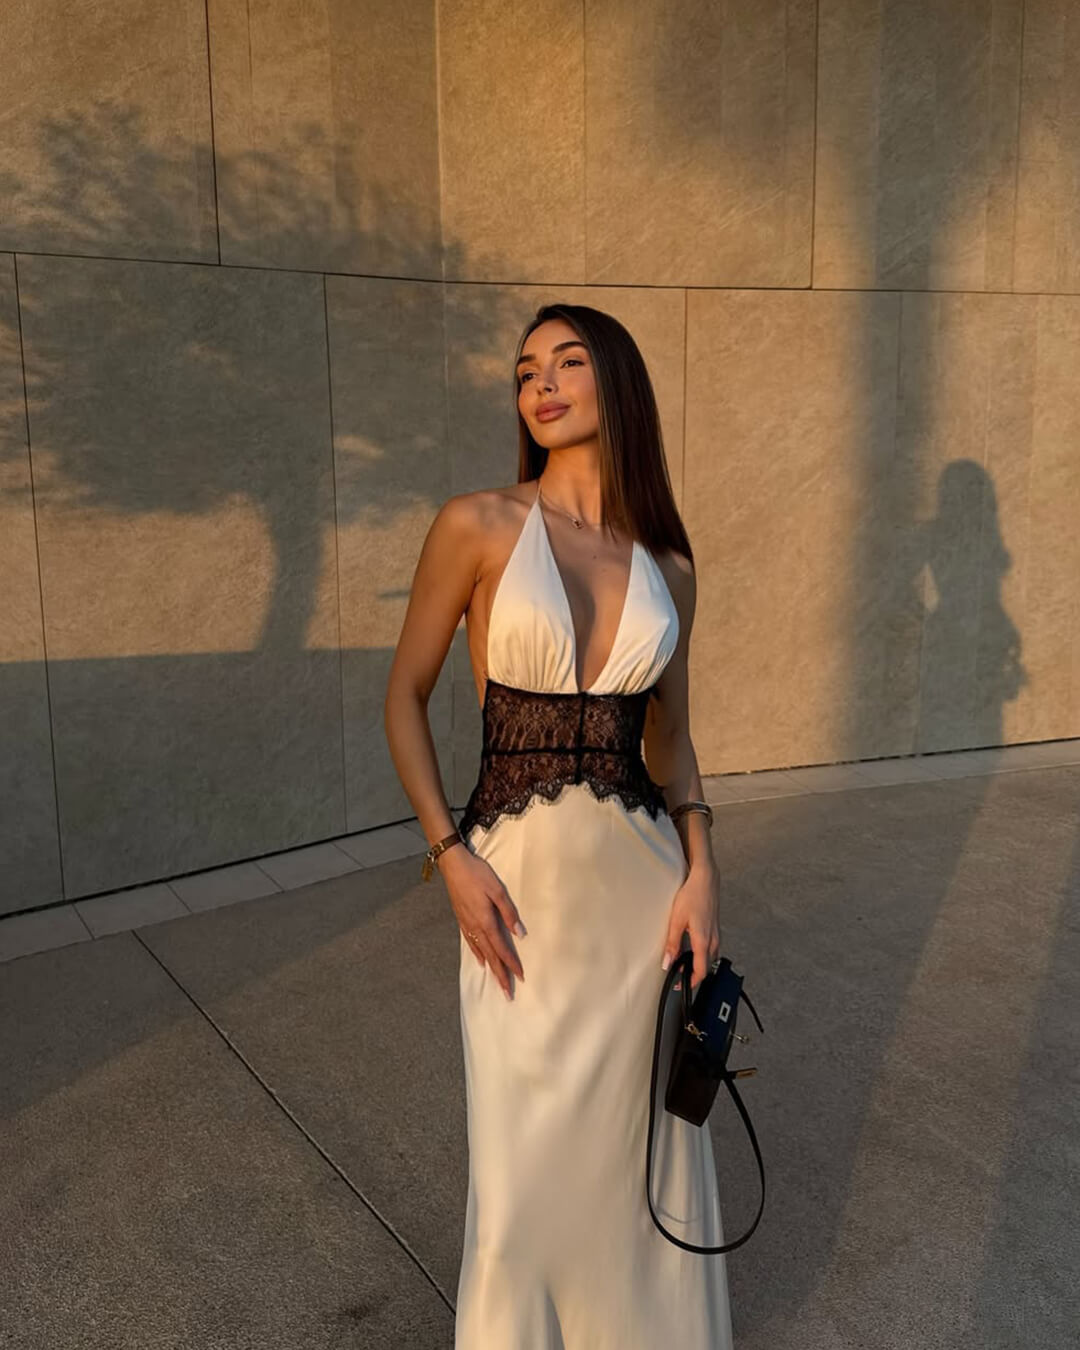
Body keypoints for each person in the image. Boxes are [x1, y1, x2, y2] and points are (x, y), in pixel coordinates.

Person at [383, 303, 733, 1348]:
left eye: (567, 362)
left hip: (642, 895)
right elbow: (403, 697)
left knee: (637, 1156)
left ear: (615, 382)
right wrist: (449, 856)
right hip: (515, 890)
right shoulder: (477, 524)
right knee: (522, 1173)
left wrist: (703, 870)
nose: (540, 383)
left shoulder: (669, 565)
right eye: (526, 369)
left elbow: (671, 740)